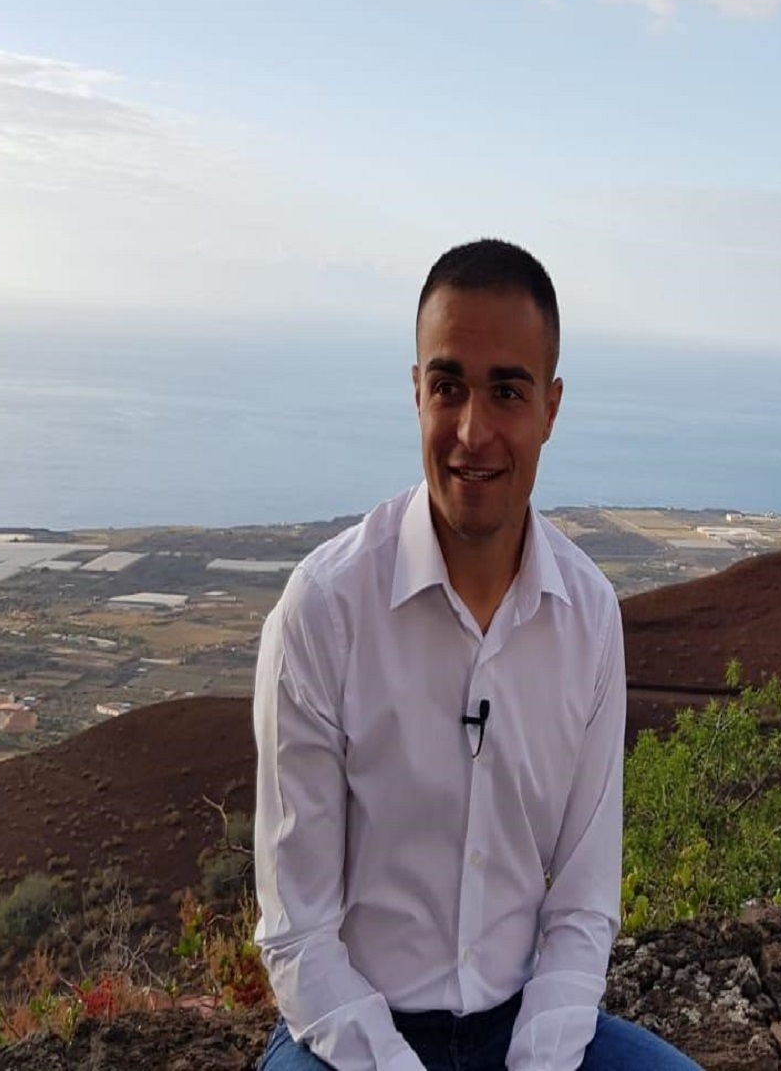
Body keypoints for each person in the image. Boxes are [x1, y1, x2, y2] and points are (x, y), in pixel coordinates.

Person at [252, 239, 698, 1071]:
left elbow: (583, 907)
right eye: (449, 387)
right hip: (350, 1036)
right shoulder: (324, 610)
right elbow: (299, 936)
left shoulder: (588, 617)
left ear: (550, 408)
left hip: (523, 1027)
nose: (472, 430)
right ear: (416, 391)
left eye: (507, 392)